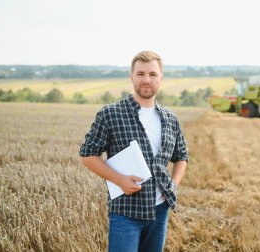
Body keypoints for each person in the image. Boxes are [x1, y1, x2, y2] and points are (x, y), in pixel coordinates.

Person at [79, 50, 188, 252]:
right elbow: (87, 155)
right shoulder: (111, 114)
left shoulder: (170, 119)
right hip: (125, 212)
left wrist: (173, 185)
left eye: (152, 74)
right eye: (140, 74)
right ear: (132, 77)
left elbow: (181, 156)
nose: (146, 80)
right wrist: (119, 180)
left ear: (161, 78)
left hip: (160, 211)